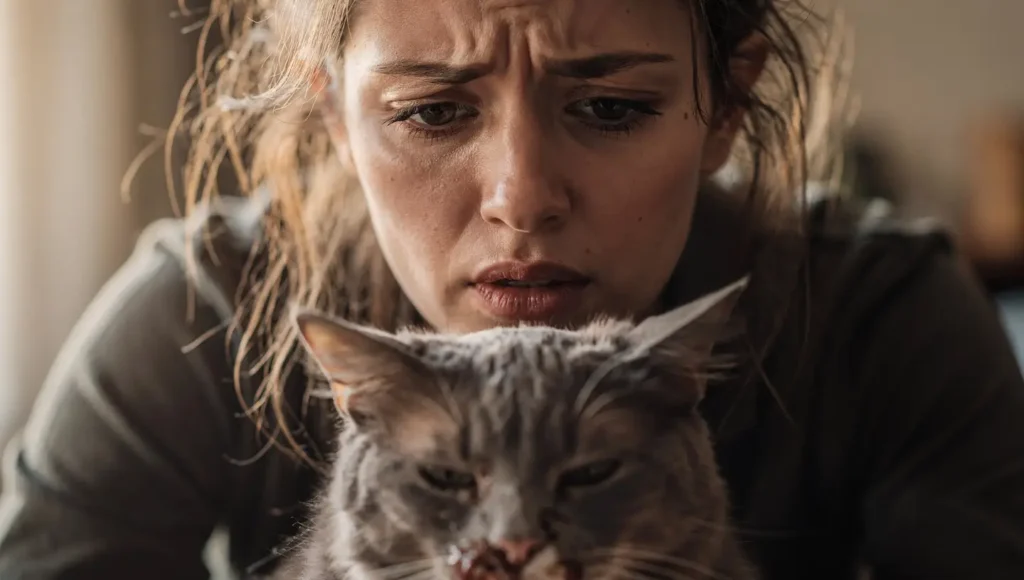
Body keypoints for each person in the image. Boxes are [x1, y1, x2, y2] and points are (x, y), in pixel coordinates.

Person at [1, 0, 1023, 578]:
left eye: (613, 106)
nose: (521, 199)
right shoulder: (206, 309)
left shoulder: (886, 316)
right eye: (434, 111)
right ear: (333, 121)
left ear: (727, 103)